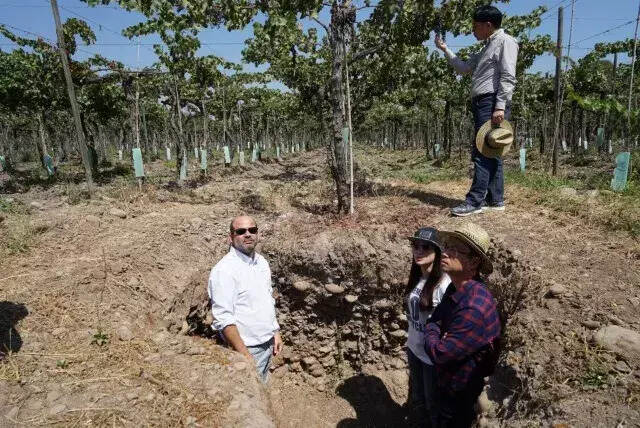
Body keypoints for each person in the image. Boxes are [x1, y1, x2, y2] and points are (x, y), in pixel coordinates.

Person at [435, 5, 519, 216]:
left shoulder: (505, 42)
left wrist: (500, 105)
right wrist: (445, 49)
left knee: (482, 151)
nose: (473, 31)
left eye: (475, 26)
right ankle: (495, 199)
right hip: (483, 102)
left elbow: (508, 76)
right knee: (492, 150)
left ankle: (475, 201)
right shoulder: (485, 47)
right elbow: (463, 69)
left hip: (492, 102)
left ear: (488, 25)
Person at [424, 222, 501, 428]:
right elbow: (435, 320)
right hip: (448, 384)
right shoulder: (456, 287)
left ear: (474, 262)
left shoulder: (473, 309)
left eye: (454, 250)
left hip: (459, 395)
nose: (445, 253)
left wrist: (432, 334)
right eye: (446, 246)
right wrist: (436, 330)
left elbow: (440, 353)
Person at [207, 215, 283, 382]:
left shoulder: (261, 262)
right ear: (231, 237)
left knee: (262, 390)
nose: (248, 234)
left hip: (267, 343)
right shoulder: (224, 271)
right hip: (245, 349)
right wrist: (244, 355)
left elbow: (267, 299)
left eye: (252, 230)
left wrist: (275, 331)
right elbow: (223, 319)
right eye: (241, 231)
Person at [405, 227, 453, 427]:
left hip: (431, 358)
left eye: (426, 247)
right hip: (414, 349)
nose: (419, 251)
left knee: (432, 403)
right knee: (417, 398)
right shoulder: (417, 276)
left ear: (437, 252)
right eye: (415, 246)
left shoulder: (444, 284)